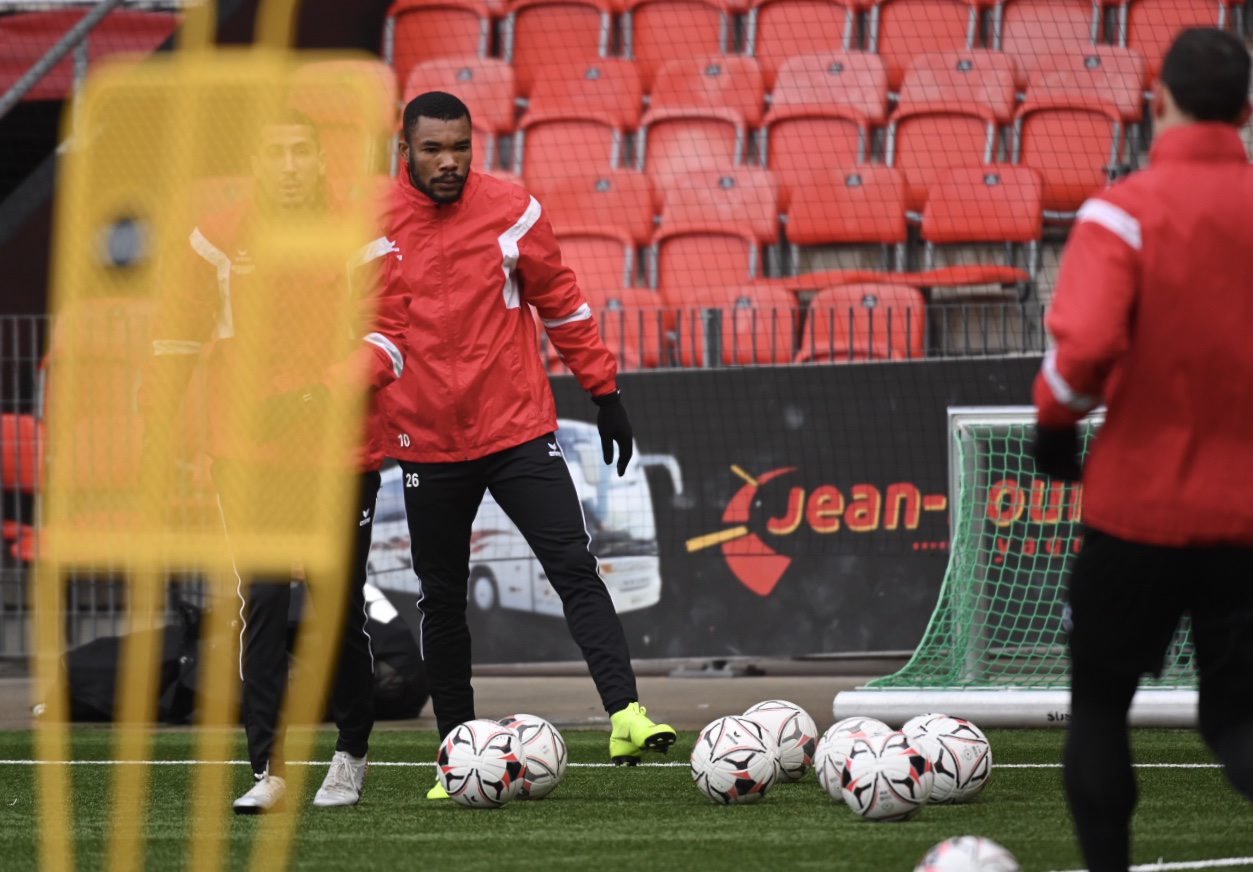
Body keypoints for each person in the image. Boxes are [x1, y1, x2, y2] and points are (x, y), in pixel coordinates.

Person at [380, 91, 677, 796]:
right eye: (433, 150)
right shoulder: (371, 228)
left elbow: (563, 303)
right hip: (425, 443)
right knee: (441, 599)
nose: (449, 162)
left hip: (517, 430)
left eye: (460, 147)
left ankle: (626, 715)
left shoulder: (514, 210)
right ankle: (456, 755)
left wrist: (605, 395)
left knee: (574, 564)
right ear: (405, 150)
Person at [1031, 28, 1253, 872]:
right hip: (1244, 522)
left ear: (1155, 100)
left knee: (1098, 708)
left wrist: (1054, 428)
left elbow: (1080, 355)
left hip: (1137, 513)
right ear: (1242, 111)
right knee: (1237, 720)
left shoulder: (1121, 211)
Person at [145, 110, 409, 813]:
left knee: (334, 606)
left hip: (338, 452)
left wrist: (314, 395)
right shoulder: (218, 238)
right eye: (275, 153)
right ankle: (268, 768)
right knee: (260, 603)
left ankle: (350, 754)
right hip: (246, 453)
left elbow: (389, 340)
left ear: (320, 162)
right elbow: (177, 335)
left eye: (301, 152)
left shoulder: (359, 236)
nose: (289, 166)